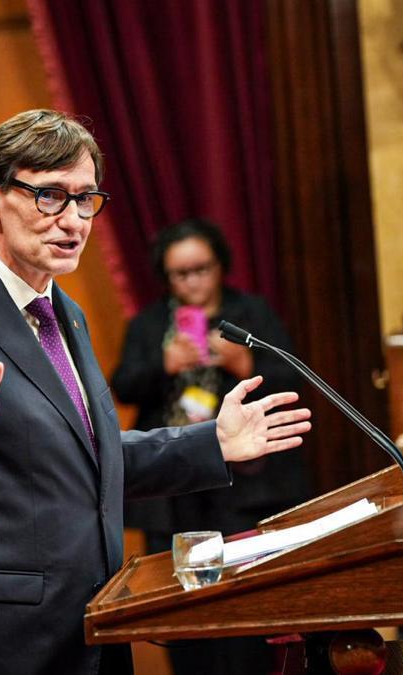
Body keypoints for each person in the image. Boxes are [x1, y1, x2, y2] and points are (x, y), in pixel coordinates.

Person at [0, 109, 311, 675]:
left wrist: (212, 443)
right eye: (50, 196)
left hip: (94, 625)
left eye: (86, 198)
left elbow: (89, 460)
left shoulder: (62, 311)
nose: (73, 220)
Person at [111, 219, 310, 674]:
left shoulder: (251, 313)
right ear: (166, 277)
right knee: (187, 622)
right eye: (181, 273)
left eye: (202, 269)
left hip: (248, 490)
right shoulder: (149, 323)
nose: (193, 281)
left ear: (220, 267)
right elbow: (122, 386)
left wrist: (247, 363)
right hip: (175, 494)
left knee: (250, 618)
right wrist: (164, 365)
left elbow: (293, 381)